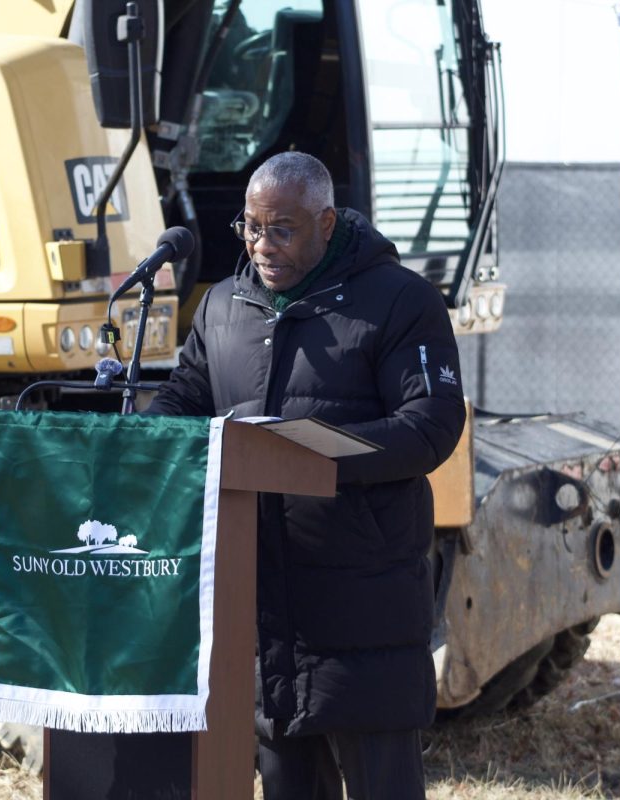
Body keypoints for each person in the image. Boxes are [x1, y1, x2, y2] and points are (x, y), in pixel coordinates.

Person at [147, 151, 466, 799]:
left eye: (282, 229)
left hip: (364, 596)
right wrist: (140, 443)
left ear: (325, 222)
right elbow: (186, 396)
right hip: (263, 599)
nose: (262, 245)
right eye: (251, 227)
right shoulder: (224, 305)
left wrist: (304, 457)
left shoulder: (400, 300)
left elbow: (429, 428)